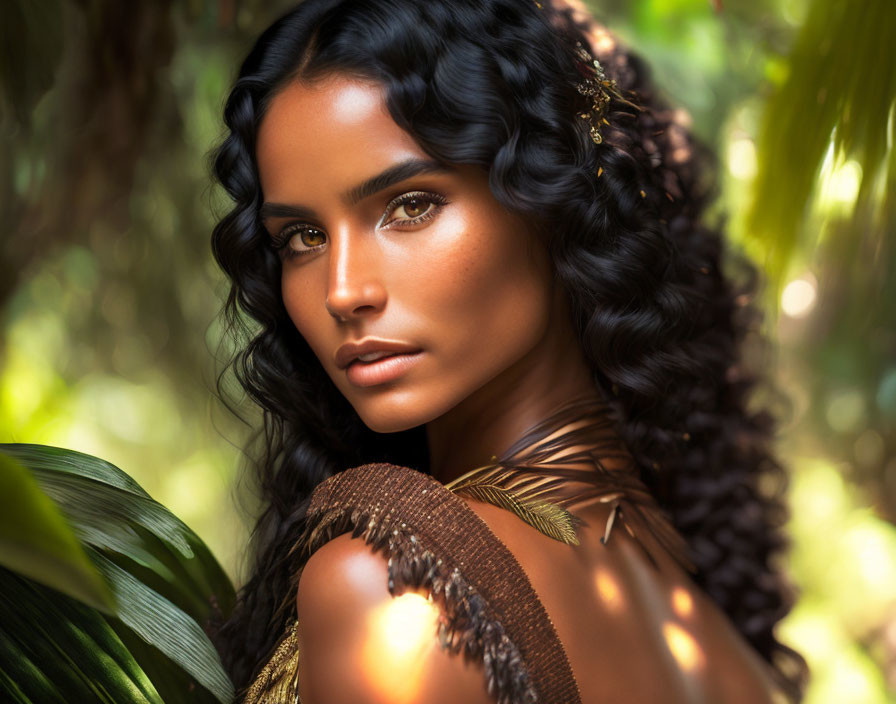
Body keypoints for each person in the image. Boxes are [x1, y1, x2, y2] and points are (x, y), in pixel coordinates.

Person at [208, 0, 809, 701]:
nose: (343, 290)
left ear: (550, 195)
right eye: (302, 238)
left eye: (410, 205)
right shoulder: (695, 608)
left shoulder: (396, 591)